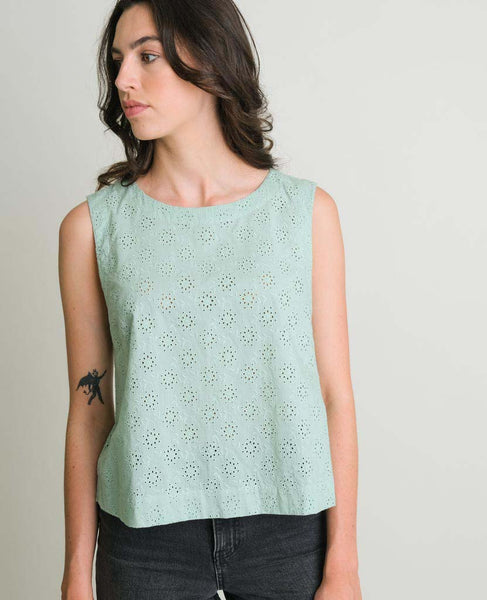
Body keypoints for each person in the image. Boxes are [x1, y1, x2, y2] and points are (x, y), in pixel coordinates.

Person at [58, 1, 361, 598]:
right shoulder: (93, 229)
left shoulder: (304, 214)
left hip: (289, 532)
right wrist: (75, 573)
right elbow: (89, 410)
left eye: (147, 56)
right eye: (118, 61)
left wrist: (344, 562)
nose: (123, 79)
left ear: (208, 57)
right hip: (144, 541)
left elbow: (334, 396)